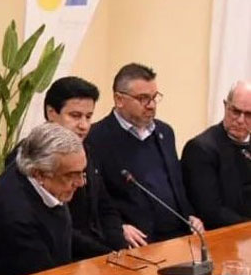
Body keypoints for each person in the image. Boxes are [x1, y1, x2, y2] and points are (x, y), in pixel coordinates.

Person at [86, 63, 204, 244]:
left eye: (154, 97)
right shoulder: (96, 138)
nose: (151, 105)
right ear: (119, 99)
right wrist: (118, 227)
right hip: (139, 241)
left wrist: (190, 215)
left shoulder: (165, 132)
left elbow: (176, 184)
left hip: (180, 235)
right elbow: (96, 199)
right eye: (143, 99)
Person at [0, 122, 86, 275]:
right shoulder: (15, 214)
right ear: (39, 174)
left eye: (82, 173)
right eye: (71, 175)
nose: (80, 183)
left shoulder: (42, 177)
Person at [42, 76, 128, 258]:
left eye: (88, 117)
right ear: (51, 113)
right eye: (75, 116)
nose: (83, 125)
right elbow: (55, 224)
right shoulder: (33, 156)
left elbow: (106, 207)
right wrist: (105, 254)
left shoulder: (86, 150)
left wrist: (120, 249)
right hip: (65, 256)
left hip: (99, 253)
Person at [181, 80, 251, 228]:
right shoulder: (201, 148)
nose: (240, 120)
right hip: (225, 234)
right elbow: (211, 212)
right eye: (235, 111)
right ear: (225, 106)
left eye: (248, 115)